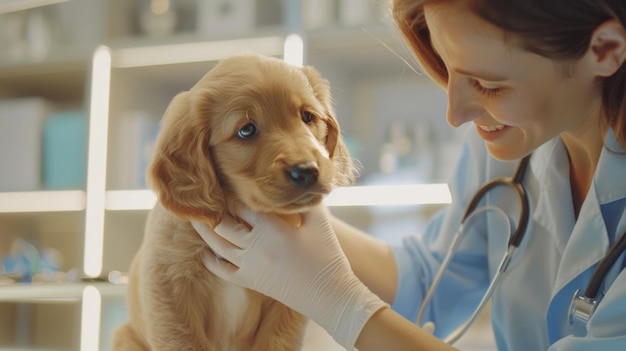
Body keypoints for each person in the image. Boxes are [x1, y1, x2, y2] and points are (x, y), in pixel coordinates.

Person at [192, 0, 626, 350]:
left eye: (490, 84)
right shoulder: (508, 146)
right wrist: (289, 226)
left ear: (604, 50)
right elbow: (435, 282)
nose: (455, 115)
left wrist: (339, 303)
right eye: (447, 67)